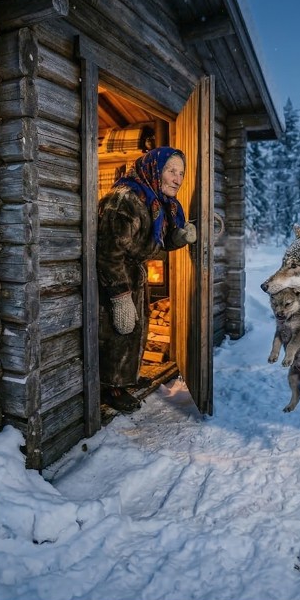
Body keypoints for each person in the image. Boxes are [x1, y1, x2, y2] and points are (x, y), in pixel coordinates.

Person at [97, 146, 197, 413]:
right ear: (154, 169)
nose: (177, 178)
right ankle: (111, 387)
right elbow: (108, 252)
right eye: (171, 171)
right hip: (114, 277)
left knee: (134, 329)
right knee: (117, 331)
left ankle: (125, 378)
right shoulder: (125, 201)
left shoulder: (152, 203)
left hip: (133, 275)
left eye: (181, 173)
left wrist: (178, 239)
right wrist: (119, 296)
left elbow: (152, 246)